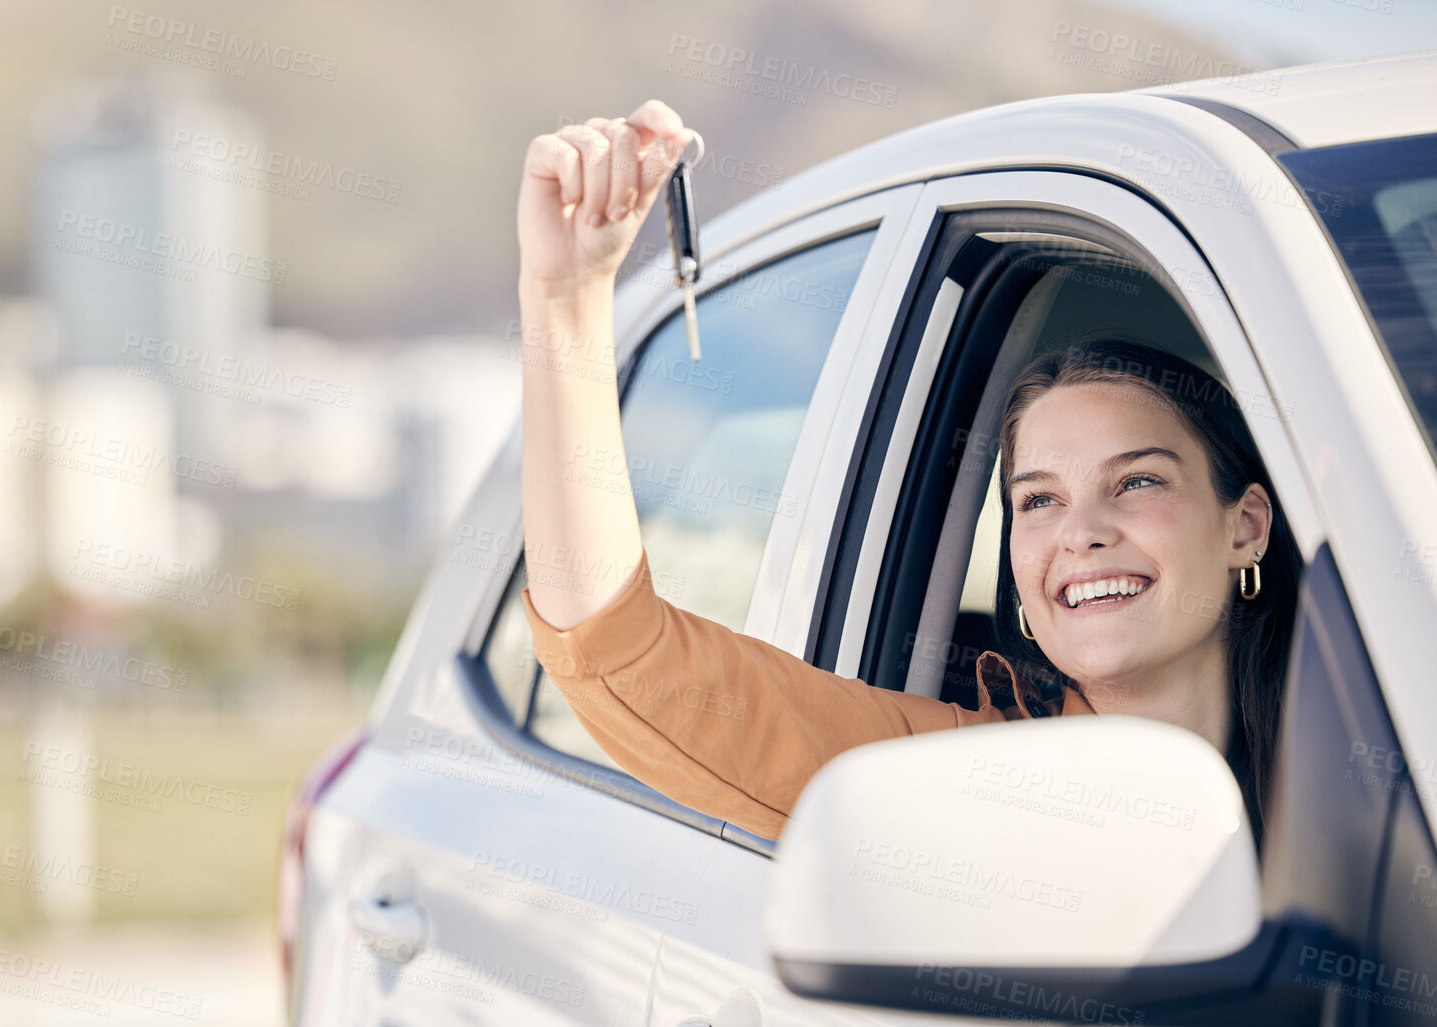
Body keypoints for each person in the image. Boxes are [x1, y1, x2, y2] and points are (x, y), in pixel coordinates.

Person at [515, 99, 1300, 845]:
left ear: (1246, 524)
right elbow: (621, 649)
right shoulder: (952, 782)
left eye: (1135, 481)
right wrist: (565, 297)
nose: (1081, 534)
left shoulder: (1393, 770)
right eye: (1037, 500)